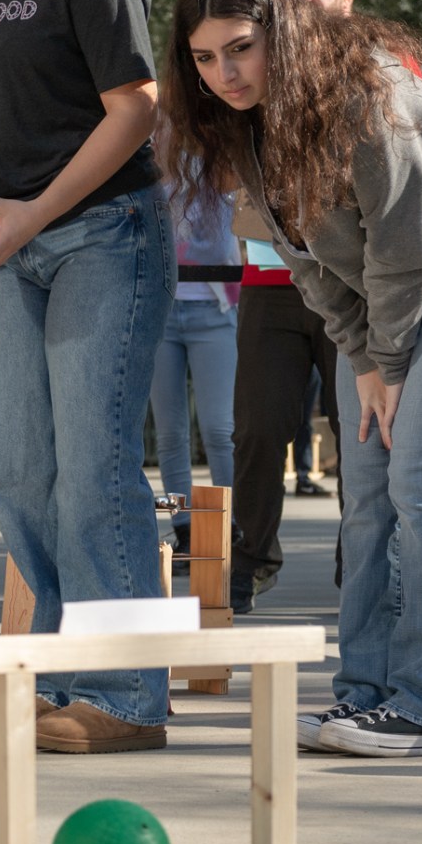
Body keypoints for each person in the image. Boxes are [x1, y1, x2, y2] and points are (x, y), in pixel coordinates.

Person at [167, 0, 422, 758]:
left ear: (284, 32)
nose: (225, 72)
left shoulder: (372, 94)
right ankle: (364, 696)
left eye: (239, 47)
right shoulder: (242, 125)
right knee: (365, 485)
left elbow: (405, 253)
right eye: (205, 57)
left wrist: (389, 363)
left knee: (420, 474)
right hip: (384, 296)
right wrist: (365, 357)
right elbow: (306, 260)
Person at [0, 0, 172, 753]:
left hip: (106, 228)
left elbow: (136, 107)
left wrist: (34, 211)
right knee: (26, 477)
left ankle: (129, 695)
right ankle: (69, 681)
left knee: (94, 470)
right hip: (10, 242)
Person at [151, 145, 239, 553]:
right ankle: (183, 526)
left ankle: (230, 524)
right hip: (162, 309)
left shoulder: (221, 154)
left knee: (220, 429)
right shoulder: (154, 154)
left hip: (214, 306)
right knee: (169, 433)